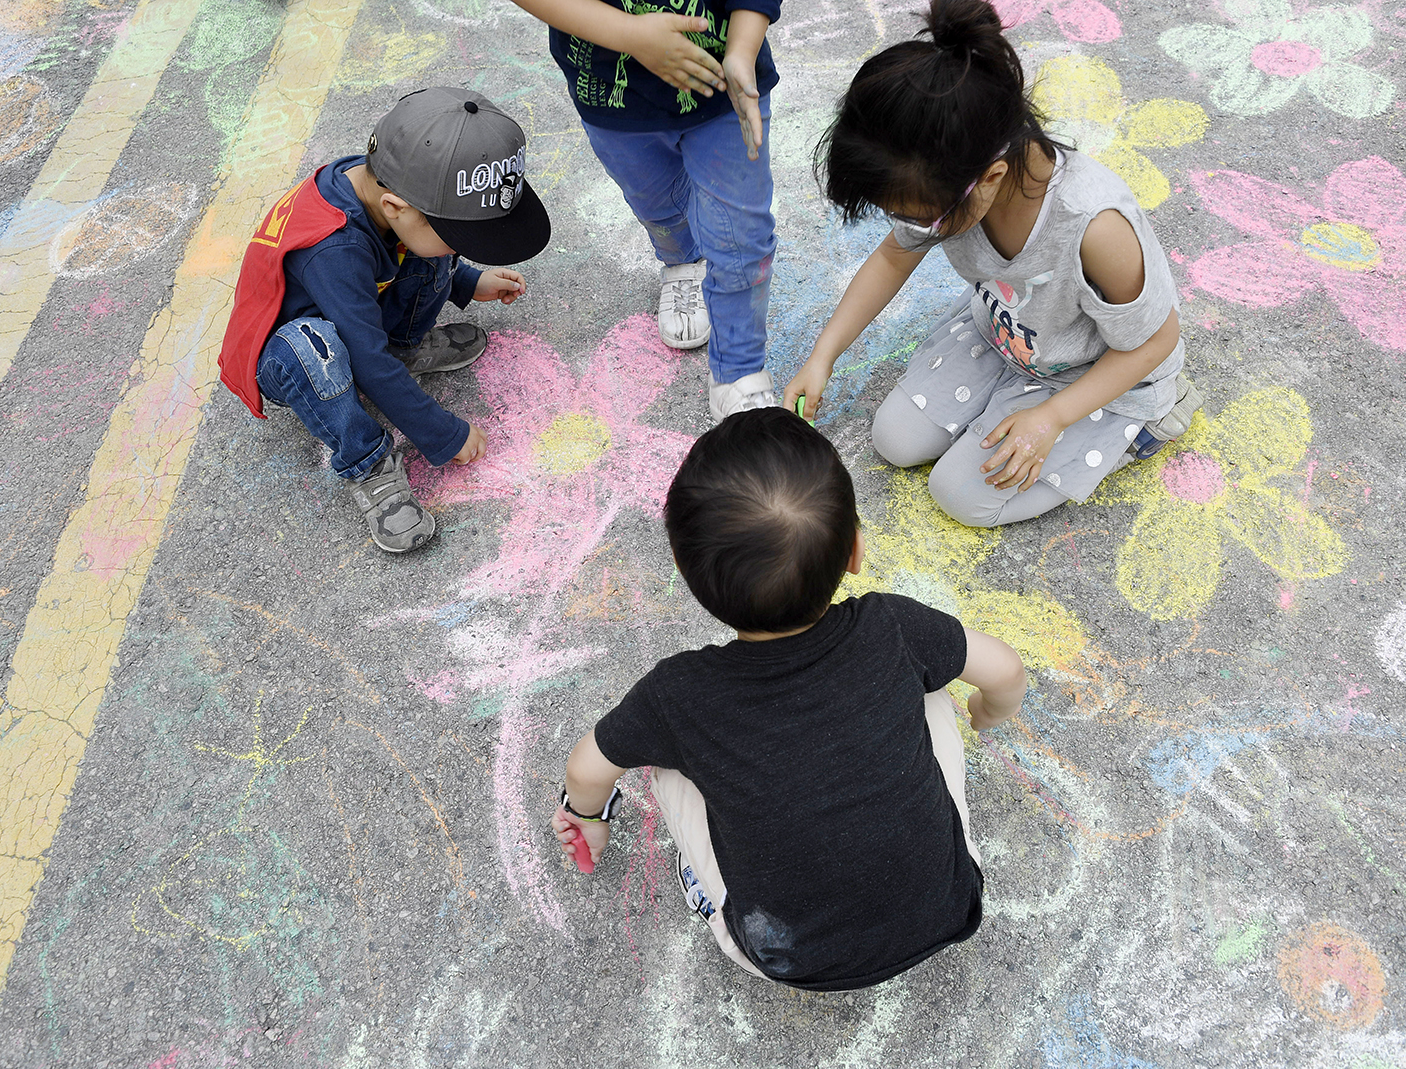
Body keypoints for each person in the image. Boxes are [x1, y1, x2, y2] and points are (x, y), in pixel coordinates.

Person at [550, 407, 1028, 989]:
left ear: (684, 571)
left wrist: (587, 815)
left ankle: (708, 891)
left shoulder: (677, 695)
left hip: (784, 957)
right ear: (855, 551)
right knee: (934, 689)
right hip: (951, 905)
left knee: (664, 767)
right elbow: (1004, 669)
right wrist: (989, 712)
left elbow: (587, 765)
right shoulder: (892, 628)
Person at [783, 0, 1201, 527]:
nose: (910, 227)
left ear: (991, 176)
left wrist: (1051, 418)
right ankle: (1008, 403)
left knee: (962, 496)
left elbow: (1154, 341)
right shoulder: (946, 179)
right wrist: (824, 354)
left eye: (920, 218)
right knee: (894, 439)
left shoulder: (1094, 229)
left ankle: (1150, 423)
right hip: (1007, 335)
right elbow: (893, 256)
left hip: (1096, 372)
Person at [217, 87, 551, 552]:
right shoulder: (334, 248)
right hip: (291, 354)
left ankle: (403, 348)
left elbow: (416, 241)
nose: (461, 247)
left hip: (352, 311)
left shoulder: (388, 181)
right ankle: (368, 465)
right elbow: (365, 358)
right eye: (460, 236)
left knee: (425, 245)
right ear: (394, 206)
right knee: (317, 346)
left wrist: (466, 281)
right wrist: (442, 433)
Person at [509, 0, 780, 421]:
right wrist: (628, 34)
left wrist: (743, 48)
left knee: (744, 233)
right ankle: (682, 262)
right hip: (613, 93)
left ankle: (739, 372)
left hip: (724, 79)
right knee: (656, 202)